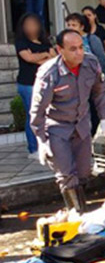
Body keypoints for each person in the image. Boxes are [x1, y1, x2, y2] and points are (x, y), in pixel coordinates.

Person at [29, 29, 105, 212]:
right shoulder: (49, 73)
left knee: (84, 173)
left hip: (81, 125)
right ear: (60, 50)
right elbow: (37, 111)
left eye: (81, 47)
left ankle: (81, 211)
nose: (79, 52)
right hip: (57, 128)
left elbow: (99, 91)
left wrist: (104, 118)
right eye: (73, 49)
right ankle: (78, 216)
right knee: (66, 175)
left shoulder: (91, 63)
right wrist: (41, 140)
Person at [14, 13, 55, 158]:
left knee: (47, 116)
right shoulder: (21, 43)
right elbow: (28, 58)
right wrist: (45, 56)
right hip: (28, 84)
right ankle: (33, 148)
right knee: (33, 116)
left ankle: (46, 145)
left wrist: (39, 57)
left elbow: (54, 58)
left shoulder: (45, 42)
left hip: (46, 83)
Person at [83, 6, 105, 74]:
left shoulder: (100, 29)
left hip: (99, 61)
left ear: (94, 16)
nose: (87, 18)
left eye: (89, 15)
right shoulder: (82, 31)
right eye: (85, 16)